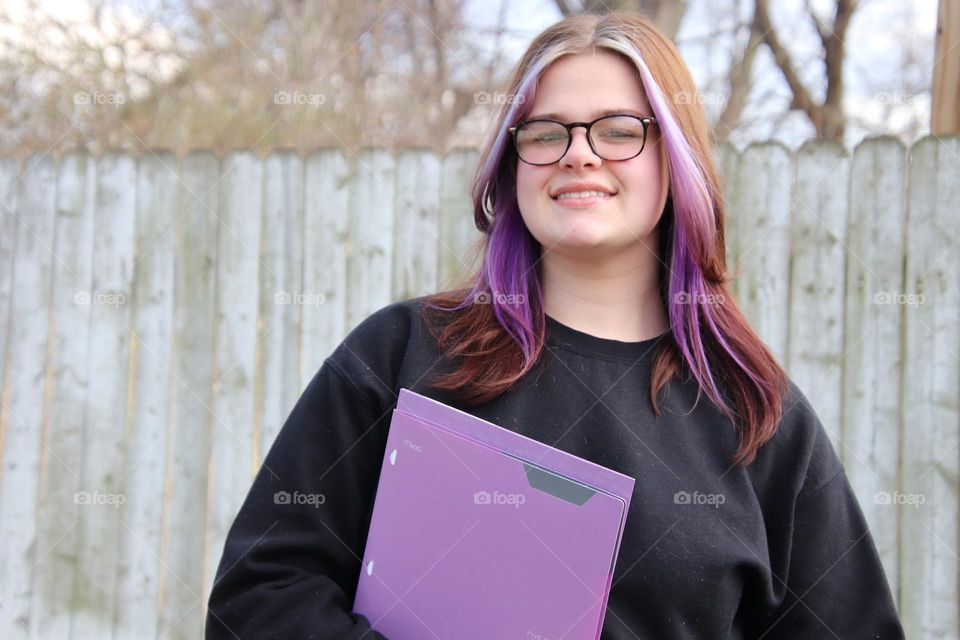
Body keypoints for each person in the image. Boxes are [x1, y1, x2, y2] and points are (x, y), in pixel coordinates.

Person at [206, 12, 905, 639]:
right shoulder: (400, 355)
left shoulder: (757, 416)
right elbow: (258, 597)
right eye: (545, 132)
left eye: (619, 130)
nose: (578, 152)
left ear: (676, 159)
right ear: (512, 165)